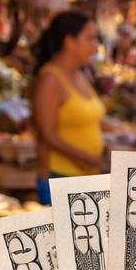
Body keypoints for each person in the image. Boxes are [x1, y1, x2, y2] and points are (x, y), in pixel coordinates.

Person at [31, 10, 106, 205]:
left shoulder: (80, 76)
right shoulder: (50, 79)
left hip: (86, 178)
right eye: (89, 38)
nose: (95, 46)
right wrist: (88, 158)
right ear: (69, 41)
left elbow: (88, 116)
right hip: (60, 179)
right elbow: (47, 135)